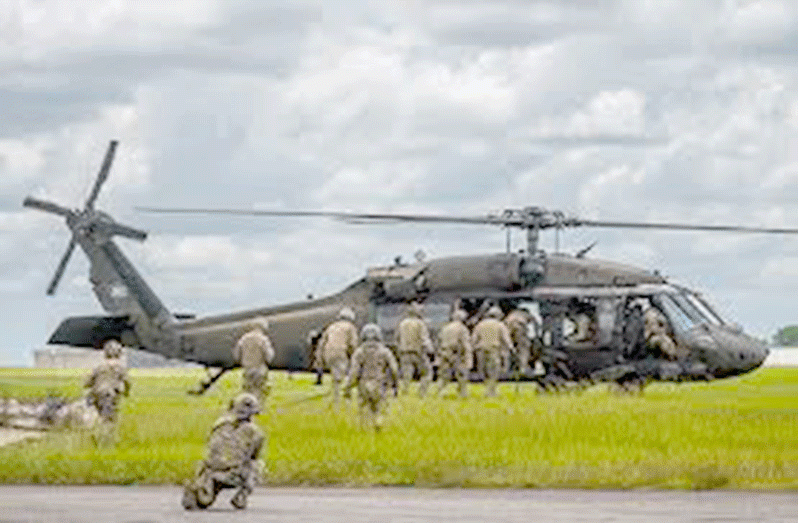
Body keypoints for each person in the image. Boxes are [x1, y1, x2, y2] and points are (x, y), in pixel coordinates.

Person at [182, 393, 265, 510]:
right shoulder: (256, 433)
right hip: (234, 474)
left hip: (211, 469)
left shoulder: (218, 424)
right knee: (257, 465)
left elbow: (209, 444)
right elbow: (254, 456)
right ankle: (241, 497)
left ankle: (202, 490)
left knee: (209, 469)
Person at [343, 324, 399, 431]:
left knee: (364, 408)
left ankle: (365, 431)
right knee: (380, 407)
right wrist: (395, 385)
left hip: (363, 385)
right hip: (380, 384)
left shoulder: (359, 352)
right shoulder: (385, 351)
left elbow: (354, 372)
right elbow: (394, 369)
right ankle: (378, 422)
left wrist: (348, 387)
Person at [315, 307, 359, 406]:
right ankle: (341, 401)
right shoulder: (350, 327)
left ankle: (337, 398)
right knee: (341, 377)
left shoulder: (331, 326)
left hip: (328, 353)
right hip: (340, 352)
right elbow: (353, 344)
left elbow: (322, 343)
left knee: (336, 376)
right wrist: (354, 357)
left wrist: (320, 360)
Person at [84, 339, 130, 423]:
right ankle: (106, 431)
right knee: (110, 417)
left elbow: (89, 381)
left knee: (99, 413)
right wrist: (127, 392)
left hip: (97, 393)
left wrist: (87, 386)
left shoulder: (100, 367)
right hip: (110, 394)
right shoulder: (120, 368)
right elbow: (127, 382)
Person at [472, 306, 513, 397]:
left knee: (483, 371)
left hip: (481, 350)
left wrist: (474, 348)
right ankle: (491, 392)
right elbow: (506, 339)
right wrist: (511, 348)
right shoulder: (500, 325)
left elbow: (474, 339)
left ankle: (487, 390)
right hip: (494, 350)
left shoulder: (480, 324)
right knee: (494, 371)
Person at [395, 301, 434, 397]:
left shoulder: (402, 324)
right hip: (417, 352)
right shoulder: (420, 324)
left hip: (404, 352)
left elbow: (397, 339)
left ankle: (404, 393)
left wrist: (399, 349)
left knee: (406, 374)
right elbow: (424, 339)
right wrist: (431, 350)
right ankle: (422, 393)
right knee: (427, 373)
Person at [233, 317, 275, 400]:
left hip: (248, 368)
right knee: (259, 389)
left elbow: (236, 354)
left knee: (248, 389)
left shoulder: (244, 338)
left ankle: (247, 405)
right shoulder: (263, 339)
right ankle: (256, 407)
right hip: (259, 368)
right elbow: (269, 355)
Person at [436, 309, 472, 398]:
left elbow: (438, 340)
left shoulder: (445, 327)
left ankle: (440, 392)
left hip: (444, 352)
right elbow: (465, 343)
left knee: (443, 374)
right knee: (462, 374)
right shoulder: (462, 328)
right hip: (457, 353)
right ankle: (462, 393)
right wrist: (467, 355)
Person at [503, 307, 532, 379]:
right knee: (523, 348)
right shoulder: (525, 314)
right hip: (519, 328)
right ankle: (523, 368)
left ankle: (506, 369)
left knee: (507, 348)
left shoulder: (511, 314)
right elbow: (531, 321)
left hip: (508, 327)